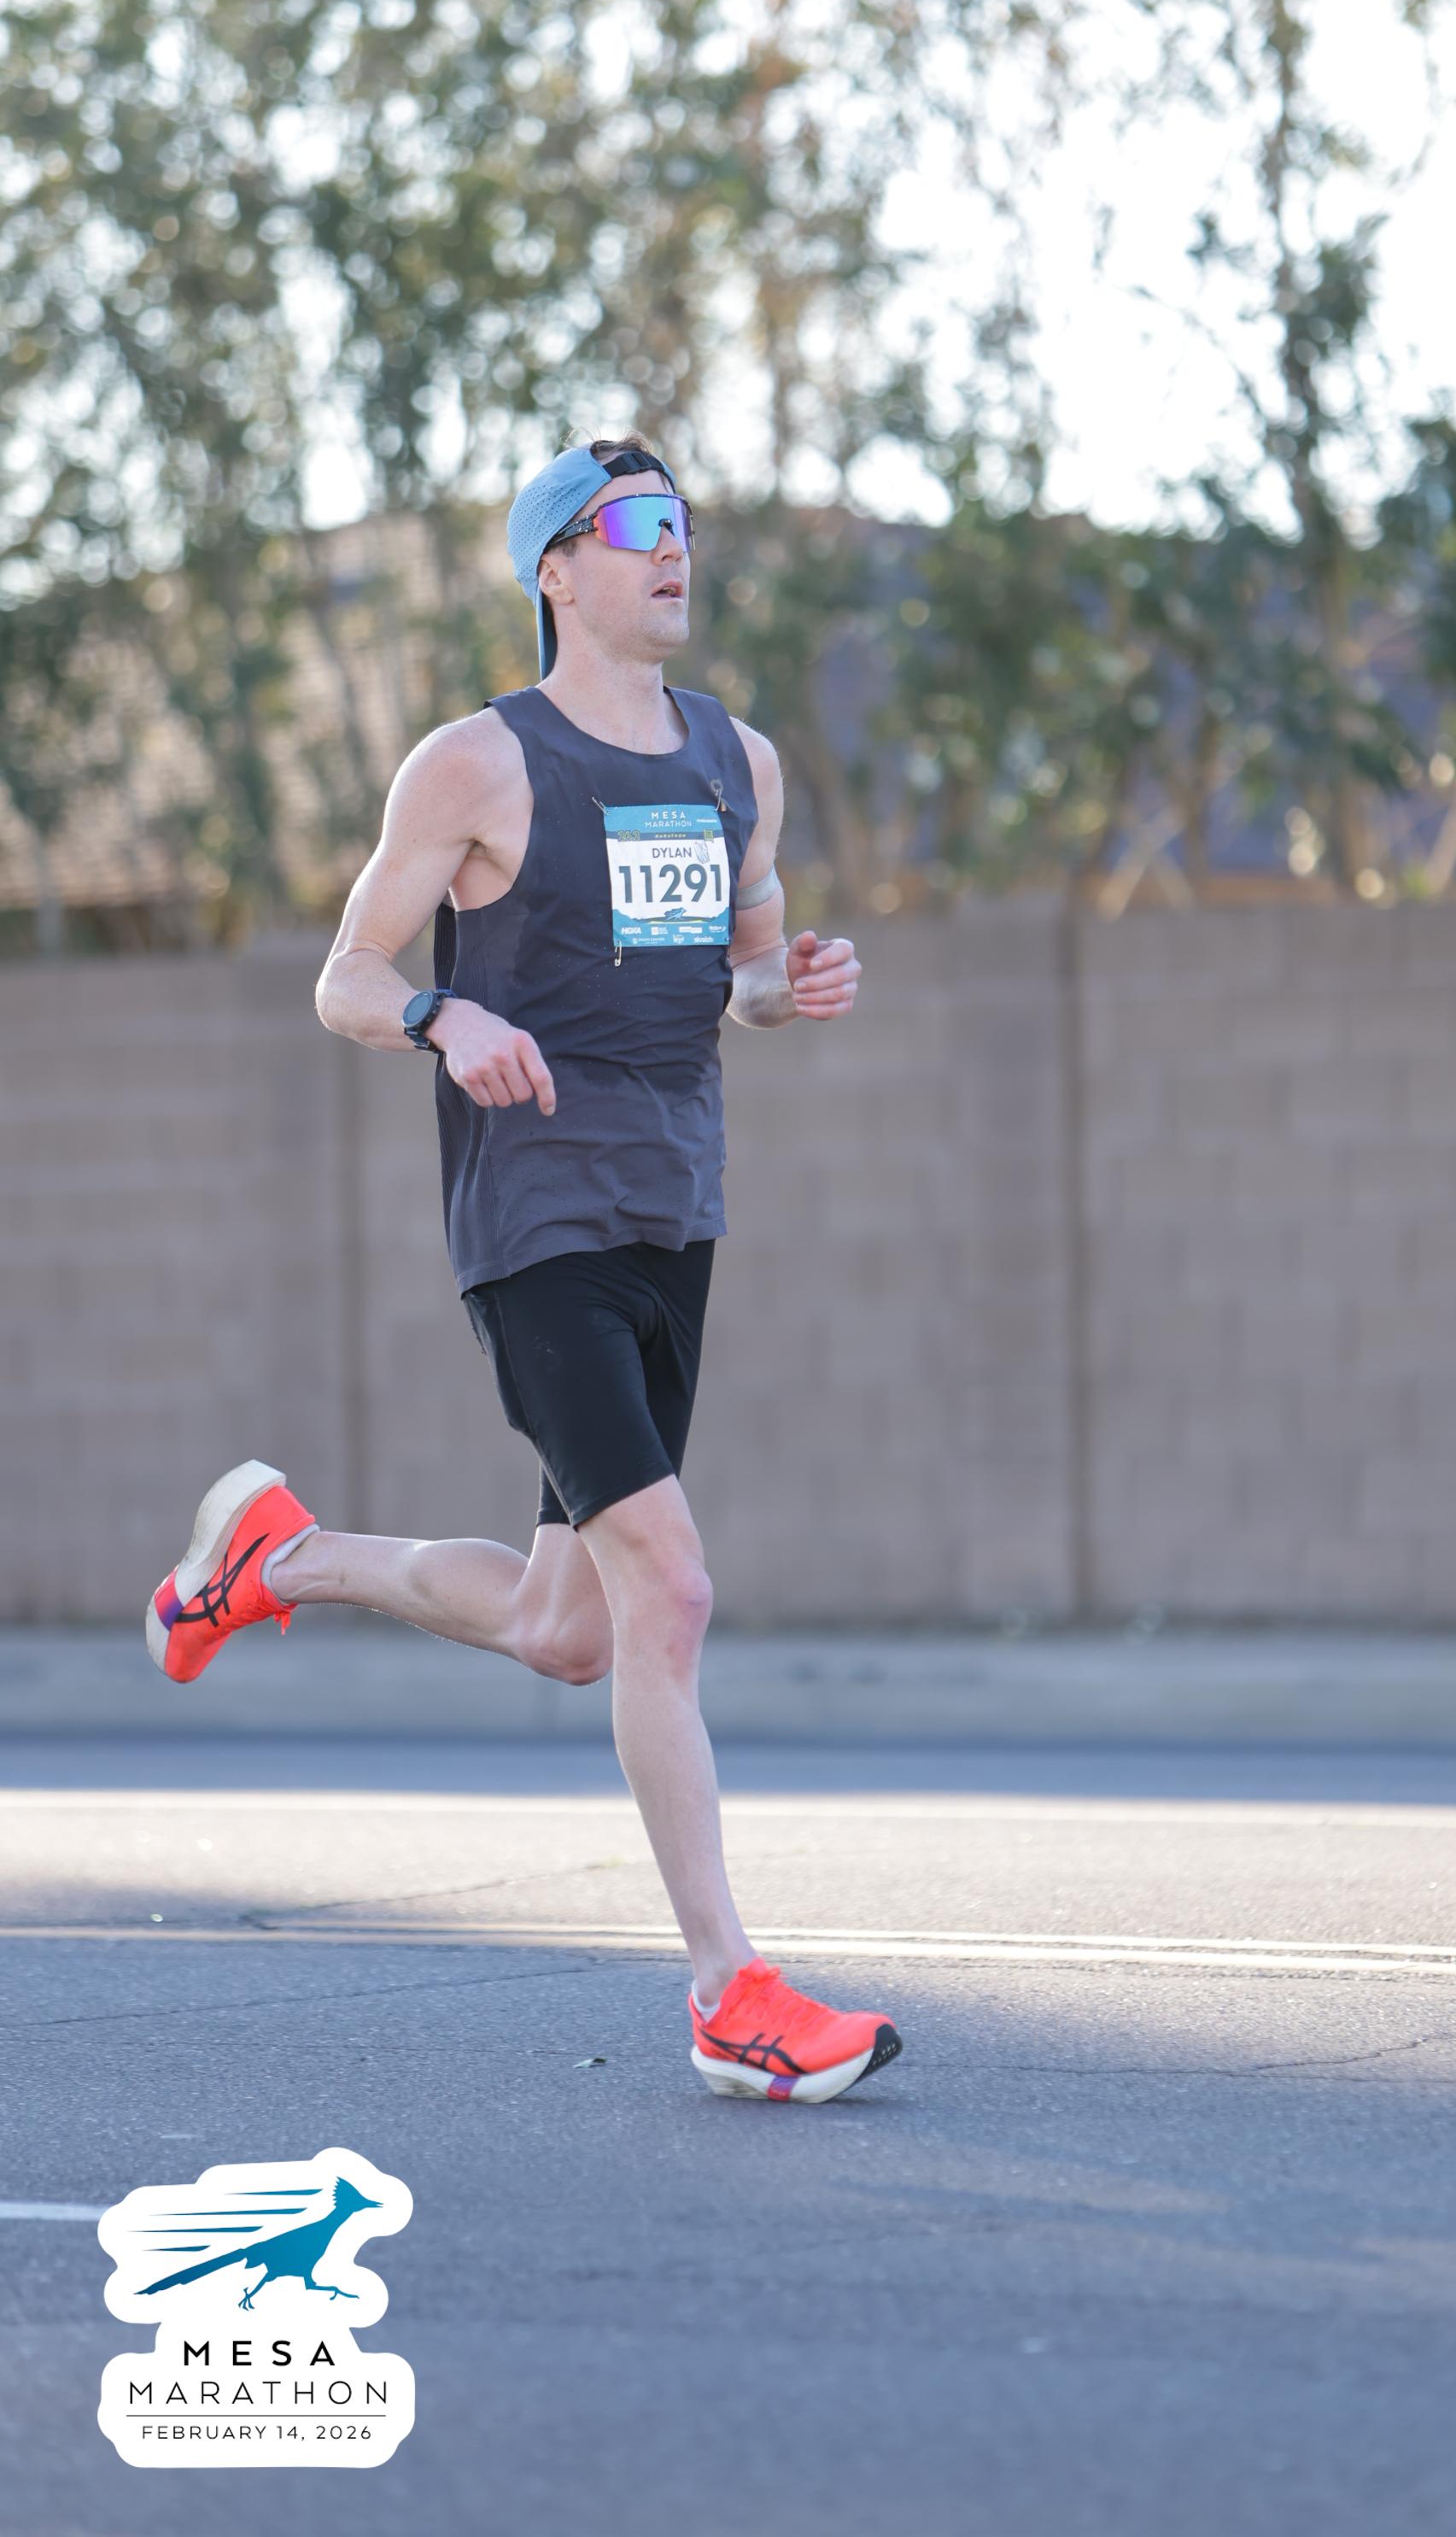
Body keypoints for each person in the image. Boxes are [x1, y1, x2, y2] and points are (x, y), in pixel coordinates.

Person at [144, 435, 902, 2106]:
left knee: (570, 1629)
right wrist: (443, 1011)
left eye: (682, 524)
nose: (672, 549)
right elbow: (347, 976)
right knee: (669, 1592)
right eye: (634, 525)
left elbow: (738, 979)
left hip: (674, 1218)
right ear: (555, 567)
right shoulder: (476, 765)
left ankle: (276, 1558)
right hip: (535, 1222)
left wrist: (793, 987)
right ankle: (728, 1994)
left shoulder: (739, 763)